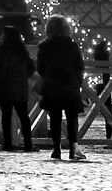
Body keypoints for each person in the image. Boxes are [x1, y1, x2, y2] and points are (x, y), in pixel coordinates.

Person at [36, 16, 87, 161]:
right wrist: (77, 81)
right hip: (70, 85)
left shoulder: (44, 47)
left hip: (52, 86)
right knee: (72, 118)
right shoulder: (72, 46)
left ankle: (56, 148)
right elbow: (79, 67)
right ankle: (73, 149)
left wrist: (49, 77)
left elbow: (40, 68)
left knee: (55, 118)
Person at [0, 26, 35, 151]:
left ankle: (8, 143)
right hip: (20, 88)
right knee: (23, 116)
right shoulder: (22, 52)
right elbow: (31, 69)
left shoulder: (3, 52)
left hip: (6, 87)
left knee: (6, 116)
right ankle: (28, 143)